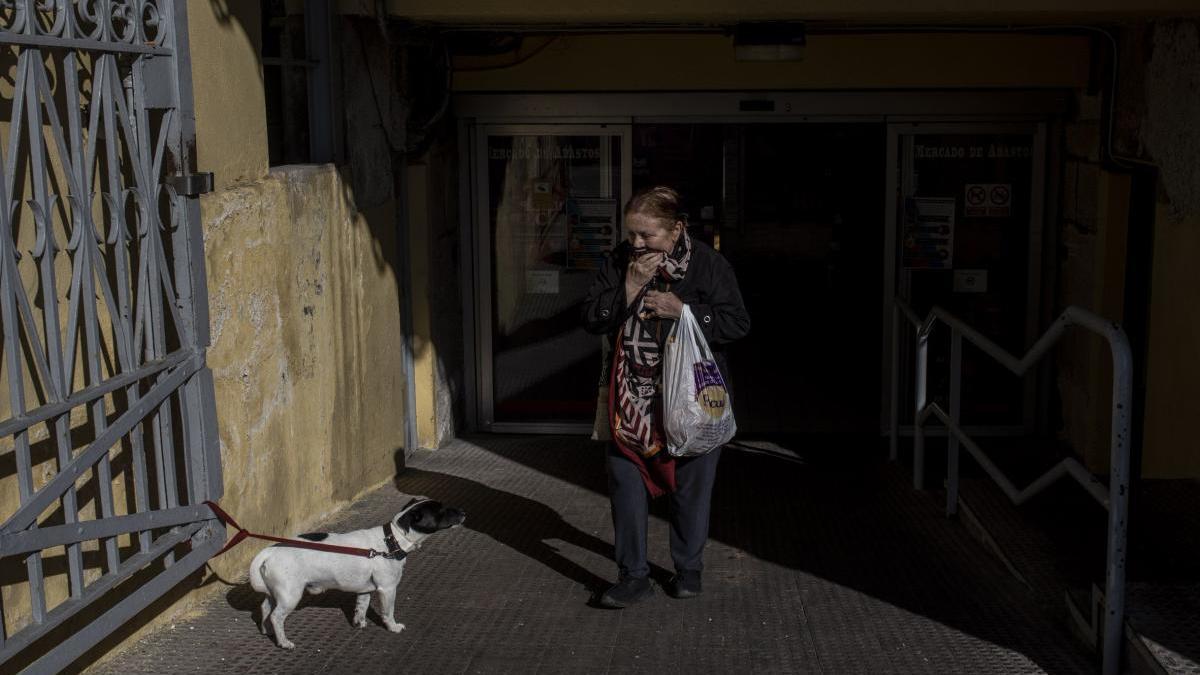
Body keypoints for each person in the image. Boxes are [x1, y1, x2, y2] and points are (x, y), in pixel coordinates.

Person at [581, 186, 751, 608]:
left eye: (647, 235)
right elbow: (591, 318)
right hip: (631, 402)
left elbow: (738, 323)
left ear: (677, 229)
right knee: (625, 485)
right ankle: (632, 575)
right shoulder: (621, 262)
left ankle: (688, 569)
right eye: (631, 234)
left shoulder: (709, 266)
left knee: (693, 488)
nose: (636, 244)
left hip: (692, 401)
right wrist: (628, 287)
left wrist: (687, 311)